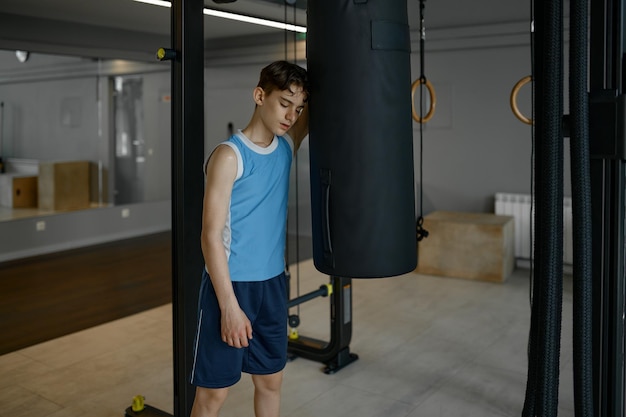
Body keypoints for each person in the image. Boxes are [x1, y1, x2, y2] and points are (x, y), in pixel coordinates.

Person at [190, 61, 310, 417]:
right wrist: (229, 307)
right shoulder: (229, 156)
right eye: (284, 103)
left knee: (270, 383)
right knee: (214, 396)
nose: (291, 115)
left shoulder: (286, 147)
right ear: (260, 95)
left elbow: (317, 107)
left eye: (298, 108)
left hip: (273, 284)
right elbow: (210, 236)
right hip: (230, 287)